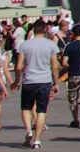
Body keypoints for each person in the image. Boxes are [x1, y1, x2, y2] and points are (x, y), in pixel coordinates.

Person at [15, 19, 60, 150]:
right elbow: (55, 66)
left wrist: (17, 80)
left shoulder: (25, 45)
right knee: (42, 110)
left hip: (29, 80)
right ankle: (37, 139)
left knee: (26, 108)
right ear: (45, 30)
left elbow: (18, 66)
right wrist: (56, 83)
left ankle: (29, 131)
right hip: (45, 81)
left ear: (33, 30)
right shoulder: (51, 45)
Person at [61, 25, 80, 130]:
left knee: (73, 98)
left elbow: (64, 62)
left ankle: (75, 120)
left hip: (73, 75)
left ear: (73, 34)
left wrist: (71, 66)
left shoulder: (69, 46)